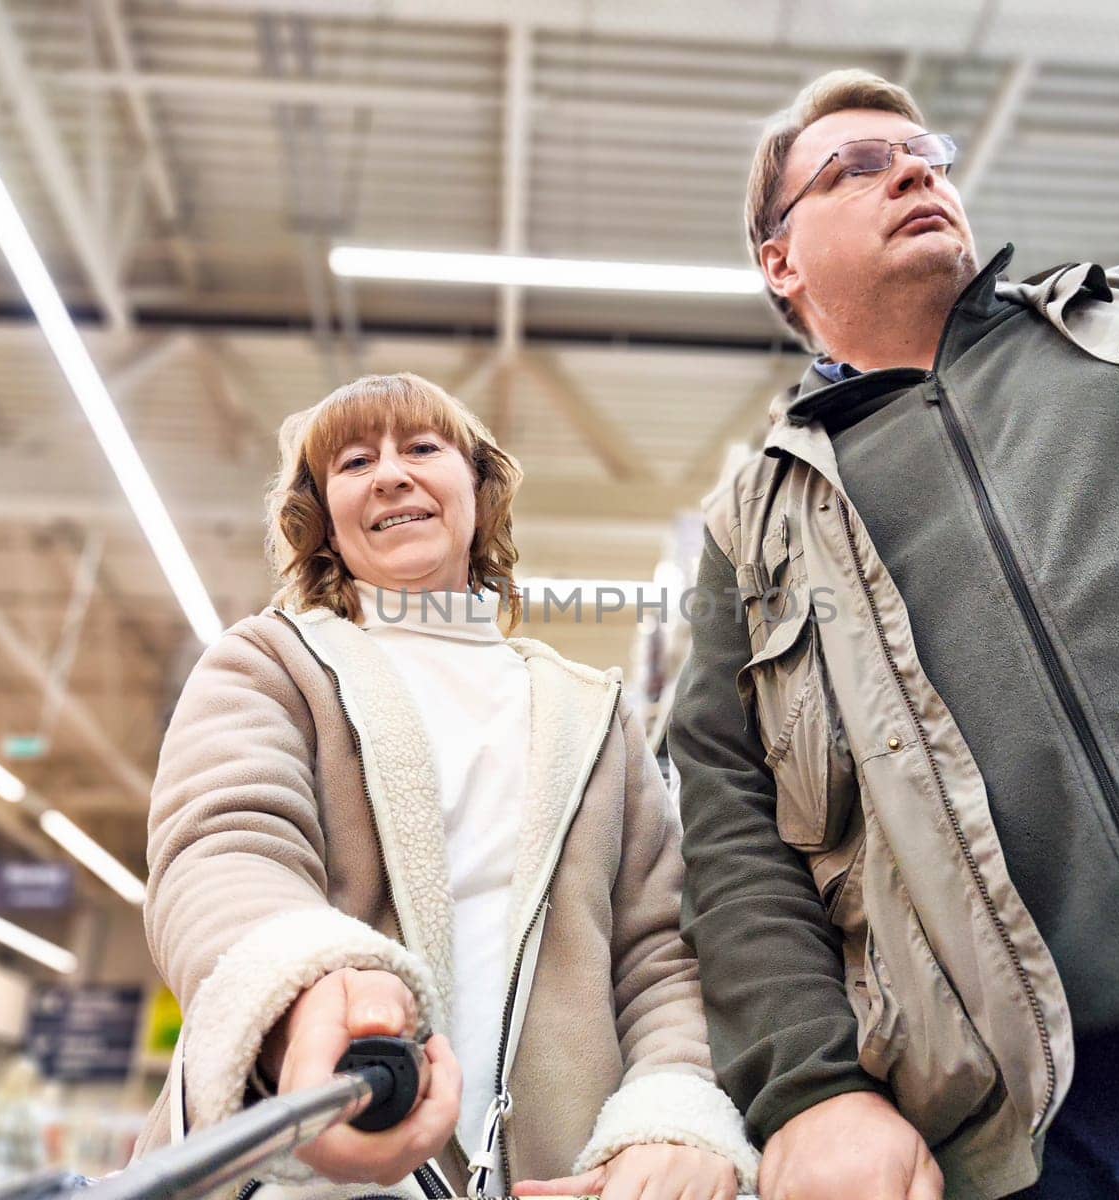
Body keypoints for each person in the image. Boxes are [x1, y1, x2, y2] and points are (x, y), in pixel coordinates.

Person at [670, 68, 1119, 1200]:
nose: (914, 169)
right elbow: (733, 835)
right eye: (858, 166)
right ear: (779, 260)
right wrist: (810, 1089)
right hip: (1071, 1124)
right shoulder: (760, 532)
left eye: (927, 152)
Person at [131, 373, 758, 1200]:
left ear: (478, 486)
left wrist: (672, 1113)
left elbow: (660, 952)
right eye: (355, 462)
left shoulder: (591, 712)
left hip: (562, 1180)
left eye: (423, 449)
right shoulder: (269, 663)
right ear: (322, 517)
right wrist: (310, 991)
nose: (391, 474)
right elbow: (224, 847)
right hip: (313, 1165)